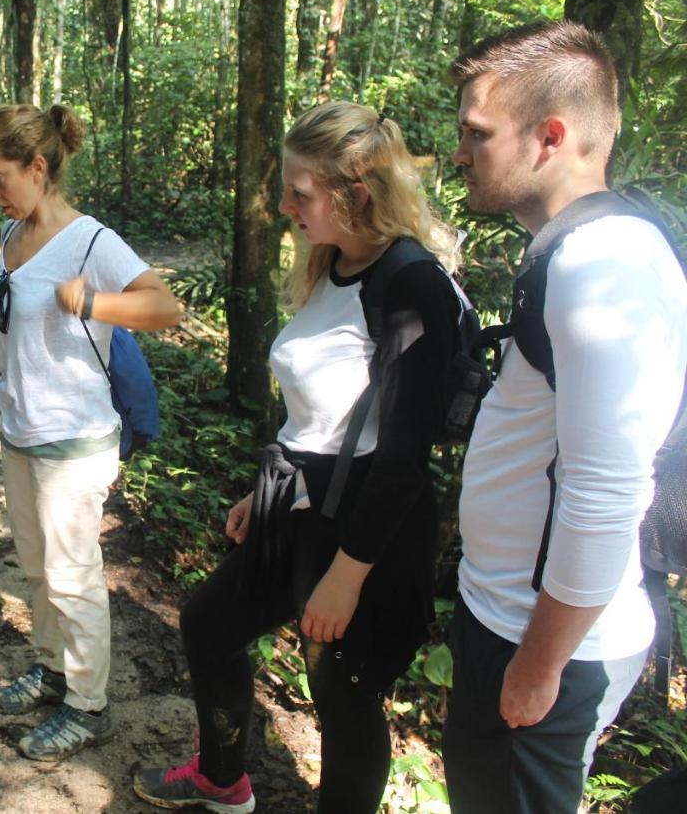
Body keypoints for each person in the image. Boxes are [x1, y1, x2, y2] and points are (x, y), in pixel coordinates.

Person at [135, 101, 465, 814]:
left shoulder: (411, 285)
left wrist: (348, 574)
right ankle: (222, 777)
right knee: (209, 624)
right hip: (297, 502)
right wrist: (266, 490)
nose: (285, 205)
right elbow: (324, 407)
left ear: (357, 194)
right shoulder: (333, 262)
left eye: (300, 192)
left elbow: (405, 454)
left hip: (364, 525)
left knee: (343, 696)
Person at [442, 21, 687, 812]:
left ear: (550, 136)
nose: (458, 152)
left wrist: (540, 662)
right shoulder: (574, 246)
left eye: (475, 133)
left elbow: (609, 488)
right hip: (509, 614)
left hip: (542, 637)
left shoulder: (599, 265)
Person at [0, 103, 181, 761]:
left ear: (39, 166)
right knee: (37, 569)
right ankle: (52, 668)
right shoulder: (10, 234)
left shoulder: (91, 241)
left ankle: (88, 703)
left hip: (76, 440)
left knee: (72, 574)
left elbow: (164, 306)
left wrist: (93, 301)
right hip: (20, 432)